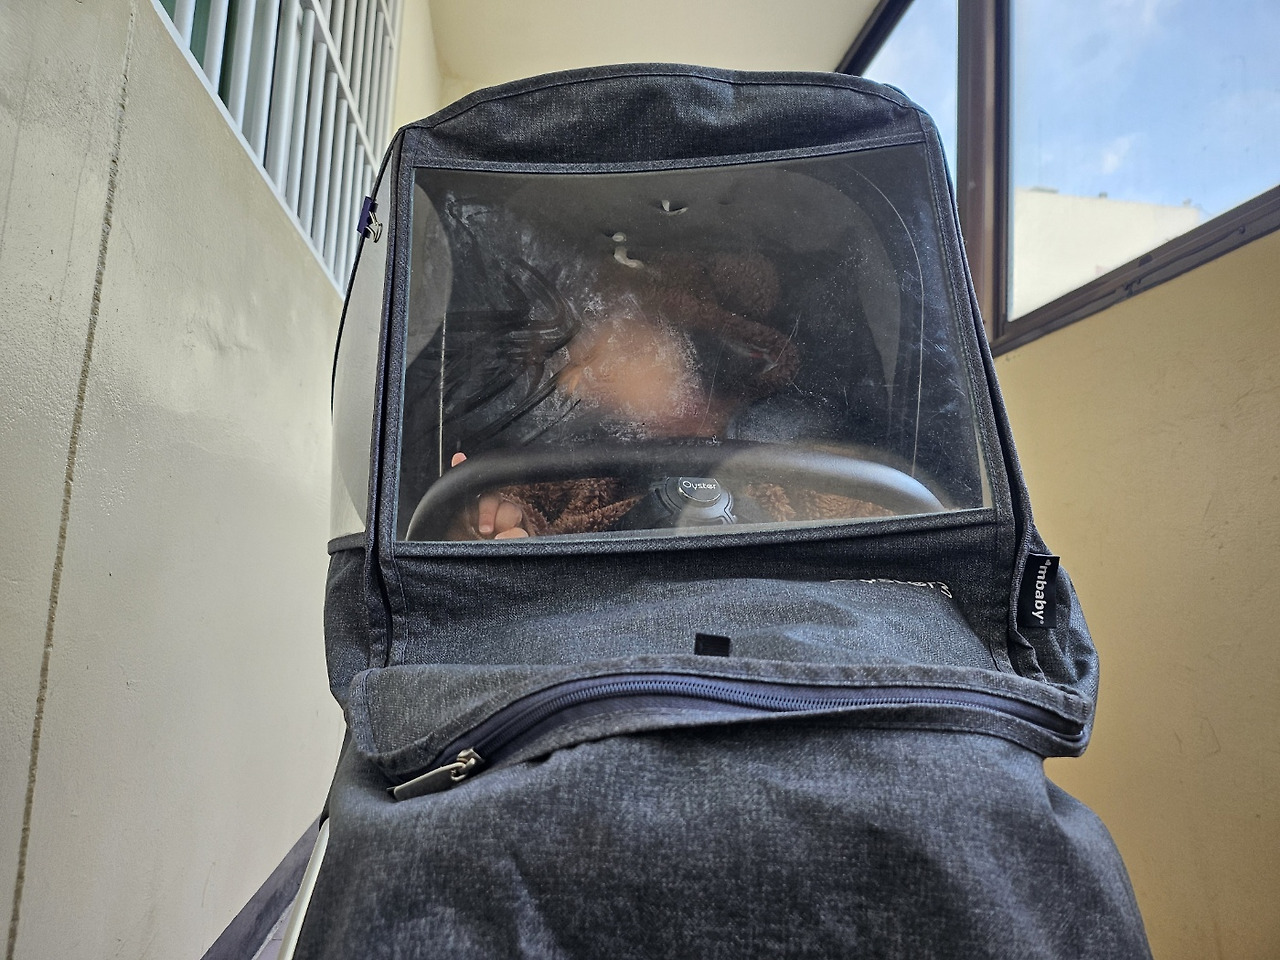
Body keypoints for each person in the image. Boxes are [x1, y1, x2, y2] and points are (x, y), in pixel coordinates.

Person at [441, 249, 890, 540]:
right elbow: (533, 514)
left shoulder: (795, 441)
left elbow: (879, 517)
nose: (588, 376)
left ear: (684, 339)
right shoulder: (576, 469)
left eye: (625, 343)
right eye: (568, 369)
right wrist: (503, 521)